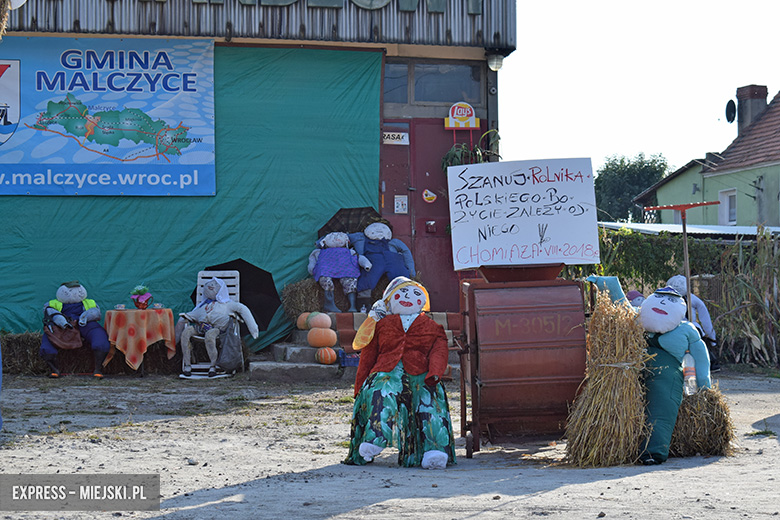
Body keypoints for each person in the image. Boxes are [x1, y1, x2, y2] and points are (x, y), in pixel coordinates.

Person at [344, 276, 456, 469]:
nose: (409, 297)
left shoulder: (433, 327)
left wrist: (435, 371)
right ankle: (375, 438)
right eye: (402, 293)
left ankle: (434, 450)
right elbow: (368, 356)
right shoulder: (380, 325)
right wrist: (359, 385)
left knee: (429, 401)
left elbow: (439, 350)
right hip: (386, 370)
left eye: (415, 293)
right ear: (389, 300)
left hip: (421, 373)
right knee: (379, 392)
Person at [638, 287, 712, 465]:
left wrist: (703, 388)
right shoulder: (636, 320)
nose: (663, 303)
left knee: (662, 406)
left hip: (666, 371)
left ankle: (652, 451)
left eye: (669, 300)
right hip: (636, 366)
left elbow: (700, 360)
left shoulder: (687, 330)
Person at [40, 280, 111, 378]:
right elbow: (50, 313)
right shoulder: (53, 303)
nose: (74, 294)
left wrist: (85, 317)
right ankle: (54, 369)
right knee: (48, 340)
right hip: (63, 326)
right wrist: (62, 321)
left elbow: (95, 312)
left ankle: (98, 369)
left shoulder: (89, 302)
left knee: (99, 337)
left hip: (84, 323)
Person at [666, 274, 720, 371]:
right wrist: (712, 337)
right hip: (678, 327)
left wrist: (712, 337)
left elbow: (705, 318)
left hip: (682, 328)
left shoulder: (690, 299)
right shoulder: (670, 299)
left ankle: (708, 363)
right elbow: (705, 318)